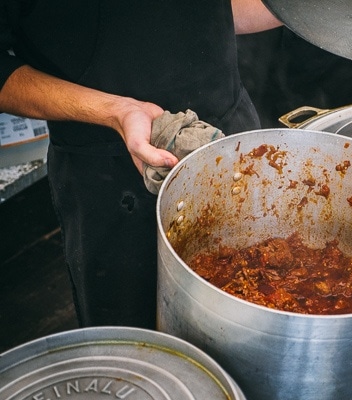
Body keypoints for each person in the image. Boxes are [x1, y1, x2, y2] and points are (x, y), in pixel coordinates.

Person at [0, 0, 281, 329]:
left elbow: (210, 11)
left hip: (232, 136)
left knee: (260, 318)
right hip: (112, 173)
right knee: (136, 344)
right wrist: (115, 111)